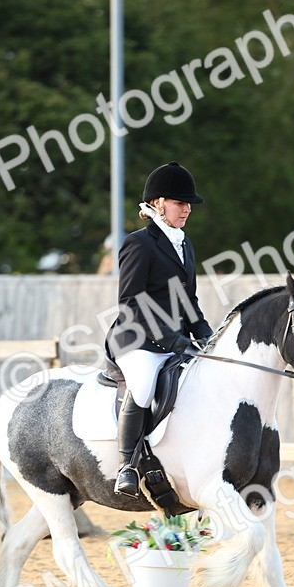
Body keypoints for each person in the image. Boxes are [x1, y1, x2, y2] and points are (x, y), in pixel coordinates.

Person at [105, 161, 213, 497]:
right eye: (180, 203)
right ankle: (127, 465)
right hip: (137, 339)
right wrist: (170, 339)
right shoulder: (140, 243)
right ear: (157, 203)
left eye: (188, 205)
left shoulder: (184, 244)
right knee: (143, 384)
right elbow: (131, 301)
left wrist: (206, 335)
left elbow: (188, 299)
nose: (186, 210)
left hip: (175, 339)